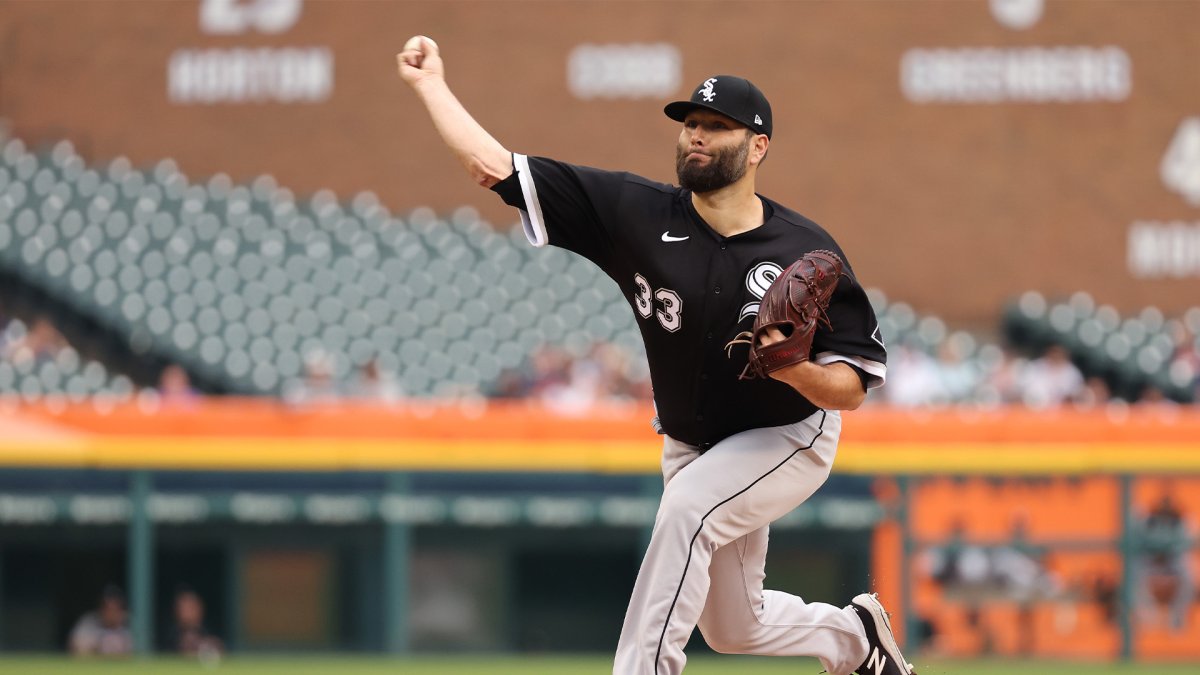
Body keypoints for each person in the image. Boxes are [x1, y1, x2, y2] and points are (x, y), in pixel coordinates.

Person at [398, 36, 911, 675]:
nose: (696, 135)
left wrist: (796, 369)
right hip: (692, 443)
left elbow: (852, 387)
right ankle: (855, 639)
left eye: (717, 127)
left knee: (687, 510)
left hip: (786, 435)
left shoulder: (806, 251)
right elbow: (493, 166)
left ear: (758, 147)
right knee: (734, 627)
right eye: (690, 123)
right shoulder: (634, 212)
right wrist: (430, 86)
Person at [68, 584, 133, 657]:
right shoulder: (89, 622)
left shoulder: (129, 625)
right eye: (108, 609)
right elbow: (74, 648)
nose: (111, 613)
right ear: (101, 609)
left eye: (115, 609)